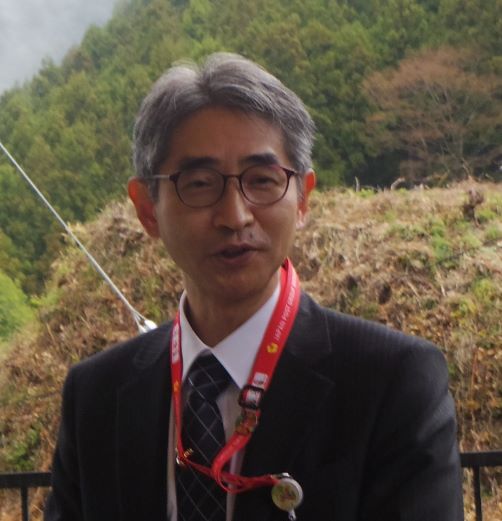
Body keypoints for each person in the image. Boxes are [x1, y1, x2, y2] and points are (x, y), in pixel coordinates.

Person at [45, 53, 463, 521]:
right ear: (147, 209)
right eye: (199, 184)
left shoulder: (391, 383)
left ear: (302, 199)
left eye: (262, 181)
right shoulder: (96, 397)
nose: (235, 216)